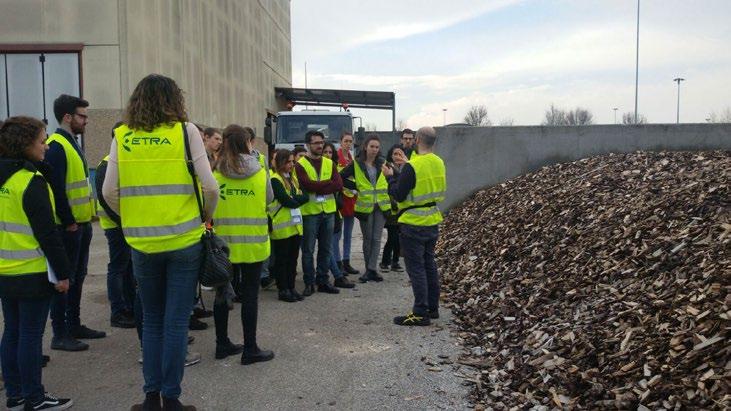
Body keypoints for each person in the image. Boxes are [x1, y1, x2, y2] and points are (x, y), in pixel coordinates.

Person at [103, 74, 217, 411]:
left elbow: (109, 191)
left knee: (151, 320)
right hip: (184, 241)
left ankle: (150, 398)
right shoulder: (185, 132)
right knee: (176, 321)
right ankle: (172, 398)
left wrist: (134, 217)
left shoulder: (122, 135)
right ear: (174, 100)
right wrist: (203, 217)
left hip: (142, 244)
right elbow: (210, 187)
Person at [0, 116, 74, 410]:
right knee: (30, 335)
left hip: (4, 272)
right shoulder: (31, 180)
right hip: (31, 272)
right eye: (41, 141)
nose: (45, 146)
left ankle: (16, 395)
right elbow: (48, 234)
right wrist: (64, 274)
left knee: (12, 332)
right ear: (25, 144)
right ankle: (34, 397)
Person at [45, 94, 106, 352]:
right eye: (82, 116)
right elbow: (56, 188)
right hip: (67, 227)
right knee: (64, 281)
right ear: (68, 117)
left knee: (77, 278)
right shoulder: (57, 144)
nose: (86, 121)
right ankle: (60, 333)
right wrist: (69, 221)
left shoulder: (71, 143)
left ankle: (75, 325)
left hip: (81, 225)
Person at [211, 125, 275, 364]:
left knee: (221, 294)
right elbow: (268, 200)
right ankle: (250, 349)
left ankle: (222, 344)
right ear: (247, 144)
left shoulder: (215, 173)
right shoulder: (260, 172)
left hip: (222, 246)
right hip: (253, 245)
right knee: (250, 297)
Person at [382, 127, 446, 326]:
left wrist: (391, 177)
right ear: (433, 142)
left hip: (413, 223)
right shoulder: (438, 162)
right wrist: (406, 166)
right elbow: (422, 179)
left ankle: (420, 312)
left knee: (416, 268)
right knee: (429, 265)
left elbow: (399, 194)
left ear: (417, 140)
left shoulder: (413, 166)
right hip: (432, 221)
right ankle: (432, 308)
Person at [294, 131, 354, 296]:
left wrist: (319, 185)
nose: (320, 145)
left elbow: (338, 184)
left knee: (325, 249)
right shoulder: (300, 165)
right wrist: (326, 184)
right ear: (307, 145)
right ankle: (309, 283)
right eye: (316, 143)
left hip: (328, 212)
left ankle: (323, 281)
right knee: (308, 251)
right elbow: (307, 185)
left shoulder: (329, 163)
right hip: (310, 213)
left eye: (321, 142)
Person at [95, 122, 136, 329]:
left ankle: (128, 307)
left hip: (124, 224)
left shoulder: (120, 161)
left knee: (128, 268)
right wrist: (124, 222)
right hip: (116, 226)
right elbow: (106, 198)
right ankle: (118, 311)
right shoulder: (106, 164)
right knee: (118, 268)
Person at [340, 134, 390, 283]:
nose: (374, 150)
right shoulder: (356, 164)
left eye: (377, 147)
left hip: (381, 205)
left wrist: (390, 174)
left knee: (376, 238)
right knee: (367, 239)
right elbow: (340, 177)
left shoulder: (383, 162)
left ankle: (372, 269)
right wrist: (356, 186)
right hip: (365, 207)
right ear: (365, 147)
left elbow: (395, 176)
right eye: (372, 146)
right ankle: (370, 269)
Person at [269, 149, 308, 302]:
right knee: (282, 260)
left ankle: (291, 287)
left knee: (293, 259)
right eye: (289, 162)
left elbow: (305, 196)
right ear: (281, 162)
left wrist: (295, 198)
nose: (292, 164)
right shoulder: (275, 179)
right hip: (281, 227)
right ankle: (283, 289)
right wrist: (296, 199)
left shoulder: (292, 178)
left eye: (293, 161)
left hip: (294, 226)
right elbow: (287, 201)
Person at [322, 143, 349, 282]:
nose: (327, 154)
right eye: (325, 152)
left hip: (335, 210)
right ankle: (336, 274)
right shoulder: (319, 168)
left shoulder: (334, 169)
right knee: (326, 246)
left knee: (333, 242)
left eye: (330, 152)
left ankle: (331, 271)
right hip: (320, 211)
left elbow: (338, 187)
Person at [335, 132, 359, 275]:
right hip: (340, 199)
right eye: (346, 141)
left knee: (349, 234)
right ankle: (337, 263)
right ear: (341, 142)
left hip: (351, 199)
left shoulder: (352, 159)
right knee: (337, 234)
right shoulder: (336, 157)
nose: (348, 144)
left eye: (350, 141)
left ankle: (346, 261)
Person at [379, 146, 405, 273]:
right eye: (395, 153)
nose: (397, 156)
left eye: (400, 153)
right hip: (393, 208)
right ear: (391, 155)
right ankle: (387, 262)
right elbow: (386, 187)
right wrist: (394, 203)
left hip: (402, 209)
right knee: (393, 236)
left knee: (397, 237)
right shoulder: (388, 167)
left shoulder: (405, 167)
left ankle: (392, 262)